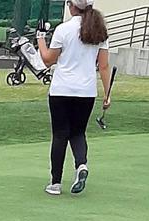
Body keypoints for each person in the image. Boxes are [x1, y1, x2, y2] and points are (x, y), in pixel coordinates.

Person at [37, 0, 112, 196]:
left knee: (60, 134)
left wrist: (40, 40)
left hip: (62, 89)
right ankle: (81, 165)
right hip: (86, 92)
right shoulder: (99, 30)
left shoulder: (64, 29)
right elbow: (103, 66)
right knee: (78, 133)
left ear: (72, 6)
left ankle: (55, 183)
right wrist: (107, 93)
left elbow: (47, 60)